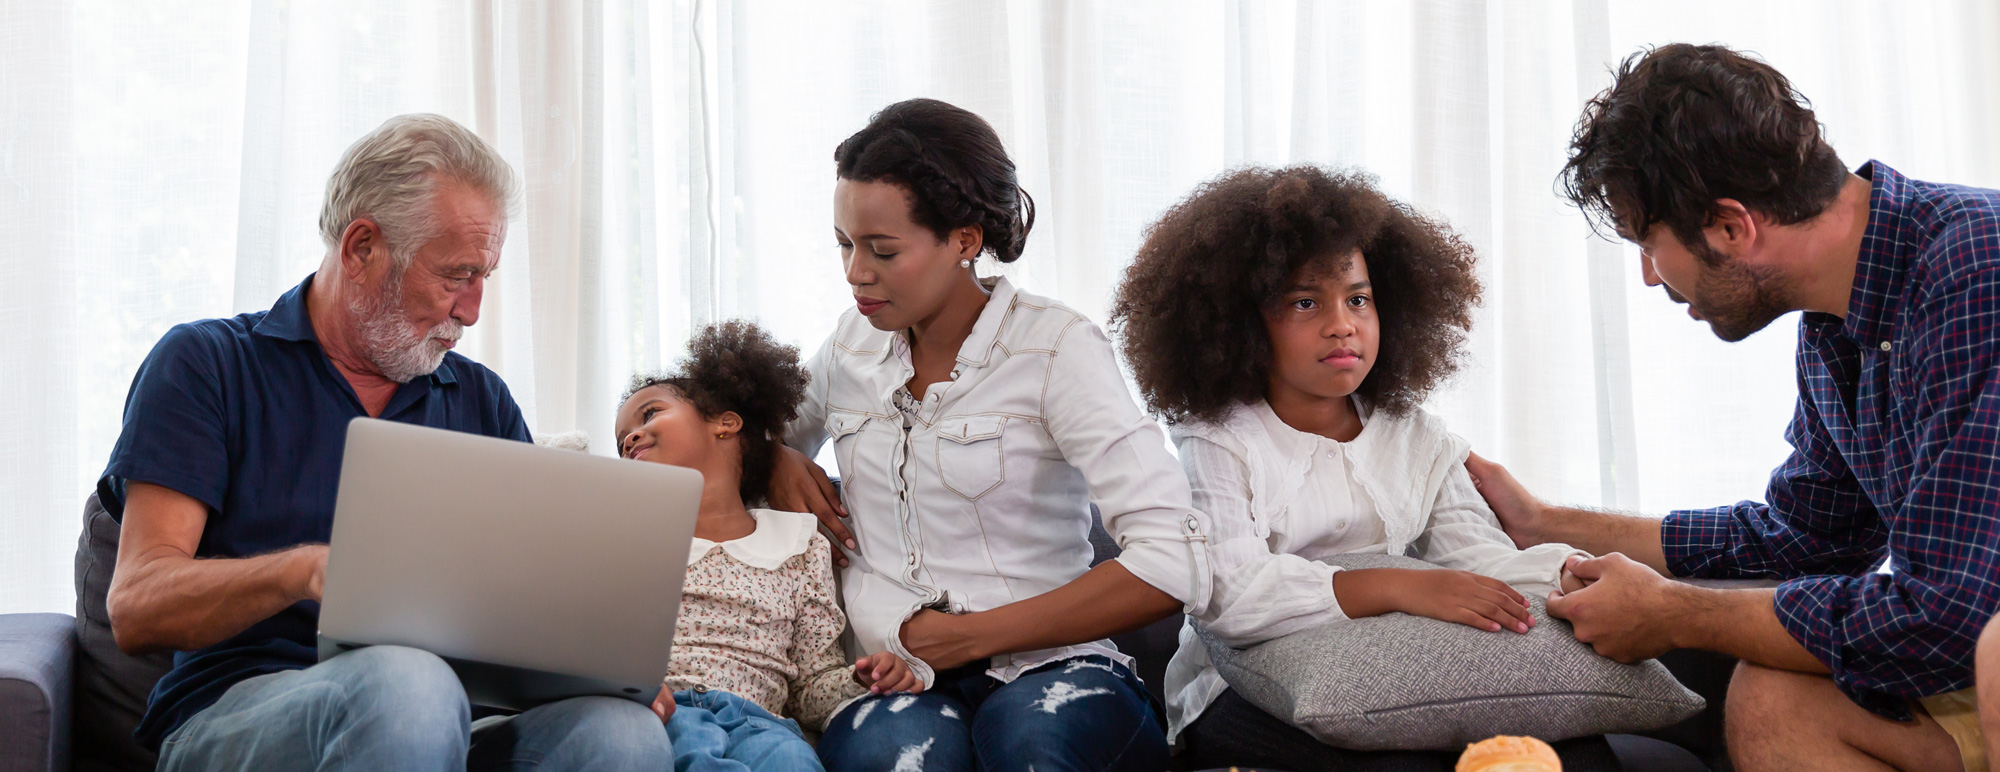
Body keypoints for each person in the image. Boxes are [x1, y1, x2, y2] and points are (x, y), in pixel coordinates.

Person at [1465, 43, 2000, 772]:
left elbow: (1946, 619)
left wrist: (1675, 613)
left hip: (1985, 650)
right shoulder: (1838, 323)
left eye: (1648, 246)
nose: (1651, 279)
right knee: (1776, 696)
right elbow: (1807, 535)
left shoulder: (1974, 273)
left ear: (1729, 227)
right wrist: (1543, 525)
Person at [101, 113, 671, 771]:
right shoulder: (207, 364)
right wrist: (307, 569)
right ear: (363, 246)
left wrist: (600, 662)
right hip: (242, 711)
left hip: (462, 718)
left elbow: (536, 604)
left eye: (485, 276)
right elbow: (137, 605)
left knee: (622, 733)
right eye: (457, 275)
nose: (473, 310)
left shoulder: (481, 399)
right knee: (406, 686)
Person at [1109, 165, 1610, 771]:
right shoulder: (1217, 442)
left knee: (1571, 752)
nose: (1341, 323)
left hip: (1393, 669)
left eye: (1358, 299)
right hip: (1239, 689)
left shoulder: (1416, 434)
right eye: (1304, 301)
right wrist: (1400, 583)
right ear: (1240, 323)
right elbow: (1231, 598)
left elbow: (1475, 560)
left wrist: (1566, 571)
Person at [766, 98, 1211, 772]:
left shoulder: (1056, 349)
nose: (856, 271)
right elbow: (735, 445)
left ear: (966, 241)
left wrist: (968, 638)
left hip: (1052, 669)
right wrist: (771, 455)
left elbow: (1172, 559)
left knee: (1032, 744)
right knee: (893, 758)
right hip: (892, 676)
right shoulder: (847, 349)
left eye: (883, 250)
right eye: (845, 244)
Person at [613, 320, 922, 772]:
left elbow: (810, 687)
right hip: (666, 716)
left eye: (649, 414)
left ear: (725, 422)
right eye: (621, 441)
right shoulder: (629, 542)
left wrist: (860, 678)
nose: (630, 438)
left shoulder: (799, 544)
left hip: (764, 725)